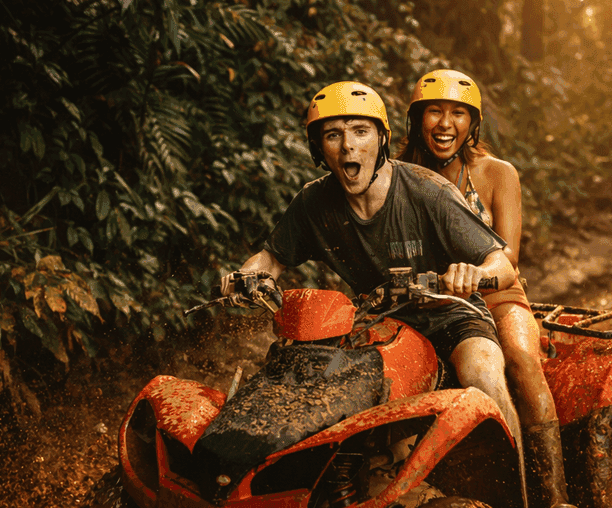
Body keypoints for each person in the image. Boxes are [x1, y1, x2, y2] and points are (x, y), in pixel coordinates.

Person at [221, 80, 523, 451]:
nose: (348, 146)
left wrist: (475, 274)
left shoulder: (428, 190)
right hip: (377, 324)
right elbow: (271, 257)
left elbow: (503, 264)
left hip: (453, 315)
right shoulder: (313, 203)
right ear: (319, 148)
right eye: (333, 135)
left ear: (381, 139)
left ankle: (520, 495)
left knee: (484, 376)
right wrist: (248, 276)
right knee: (336, 404)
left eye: (360, 132)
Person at [397, 68, 585, 508]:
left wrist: (476, 275)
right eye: (434, 112)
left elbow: (510, 255)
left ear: (472, 124)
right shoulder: (400, 176)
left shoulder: (498, 173)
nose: (445, 123)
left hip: (496, 297)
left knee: (520, 358)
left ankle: (551, 497)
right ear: (416, 120)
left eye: (457, 113)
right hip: (425, 303)